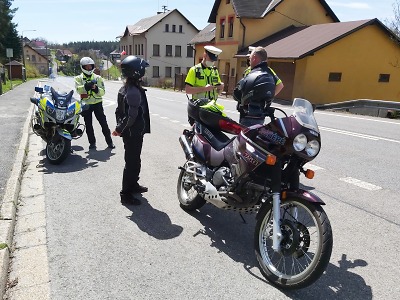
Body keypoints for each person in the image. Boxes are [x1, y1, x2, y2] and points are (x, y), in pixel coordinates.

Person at [112, 56, 151, 205]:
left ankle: (133, 184)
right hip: (131, 133)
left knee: (135, 160)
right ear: (136, 72)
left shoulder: (128, 88)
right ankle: (125, 194)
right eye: (143, 70)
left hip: (133, 132)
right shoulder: (133, 92)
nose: (144, 72)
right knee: (131, 163)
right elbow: (131, 116)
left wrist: (120, 128)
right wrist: (120, 129)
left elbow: (118, 111)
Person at [235, 46, 284, 127]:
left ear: (254, 58)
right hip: (247, 110)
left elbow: (280, 85)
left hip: (253, 110)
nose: (249, 60)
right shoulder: (249, 70)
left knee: (246, 135)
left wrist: (267, 97)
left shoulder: (267, 70)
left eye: (249, 58)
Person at [75, 57, 114, 150]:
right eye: (86, 67)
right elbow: (78, 89)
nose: (88, 68)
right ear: (82, 67)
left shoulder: (98, 78)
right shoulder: (78, 78)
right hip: (86, 104)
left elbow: (103, 92)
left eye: (90, 66)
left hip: (97, 103)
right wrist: (86, 86)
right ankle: (92, 143)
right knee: (88, 125)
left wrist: (96, 88)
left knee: (103, 123)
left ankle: (109, 142)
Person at [185, 45, 224, 124]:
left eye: (214, 60)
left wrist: (221, 87)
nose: (212, 62)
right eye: (211, 59)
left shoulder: (214, 71)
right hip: (198, 109)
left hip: (212, 109)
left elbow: (218, 91)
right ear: (204, 55)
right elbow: (188, 90)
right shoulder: (194, 70)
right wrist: (204, 89)